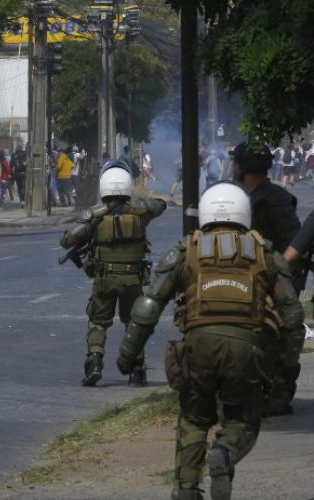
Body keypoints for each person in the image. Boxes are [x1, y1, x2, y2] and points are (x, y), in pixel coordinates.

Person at [116, 182, 303, 500]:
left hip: (198, 346)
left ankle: (187, 488)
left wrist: (127, 353)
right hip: (248, 349)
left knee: (193, 417)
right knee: (243, 417)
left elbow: (149, 304)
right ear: (244, 213)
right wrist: (286, 362)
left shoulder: (187, 249)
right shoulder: (264, 252)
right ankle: (225, 453)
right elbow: (292, 316)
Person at [60, 161, 167, 387]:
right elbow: (159, 205)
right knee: (133, 324)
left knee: (98, 323)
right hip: (133, 280)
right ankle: (137, 370)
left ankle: (94, 363)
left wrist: (101, 211)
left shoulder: (95, 215)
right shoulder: (140, 214)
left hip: (104, 279)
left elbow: (67, 240)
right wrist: (130, 205)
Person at [230, 142, 303, 416]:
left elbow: (294, 240)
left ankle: (279, 390)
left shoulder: (276, 199)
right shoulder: (236, 198)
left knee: (282, 334)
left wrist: (278, 271)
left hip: (274, 279)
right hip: (241, 277)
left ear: (240, 167)